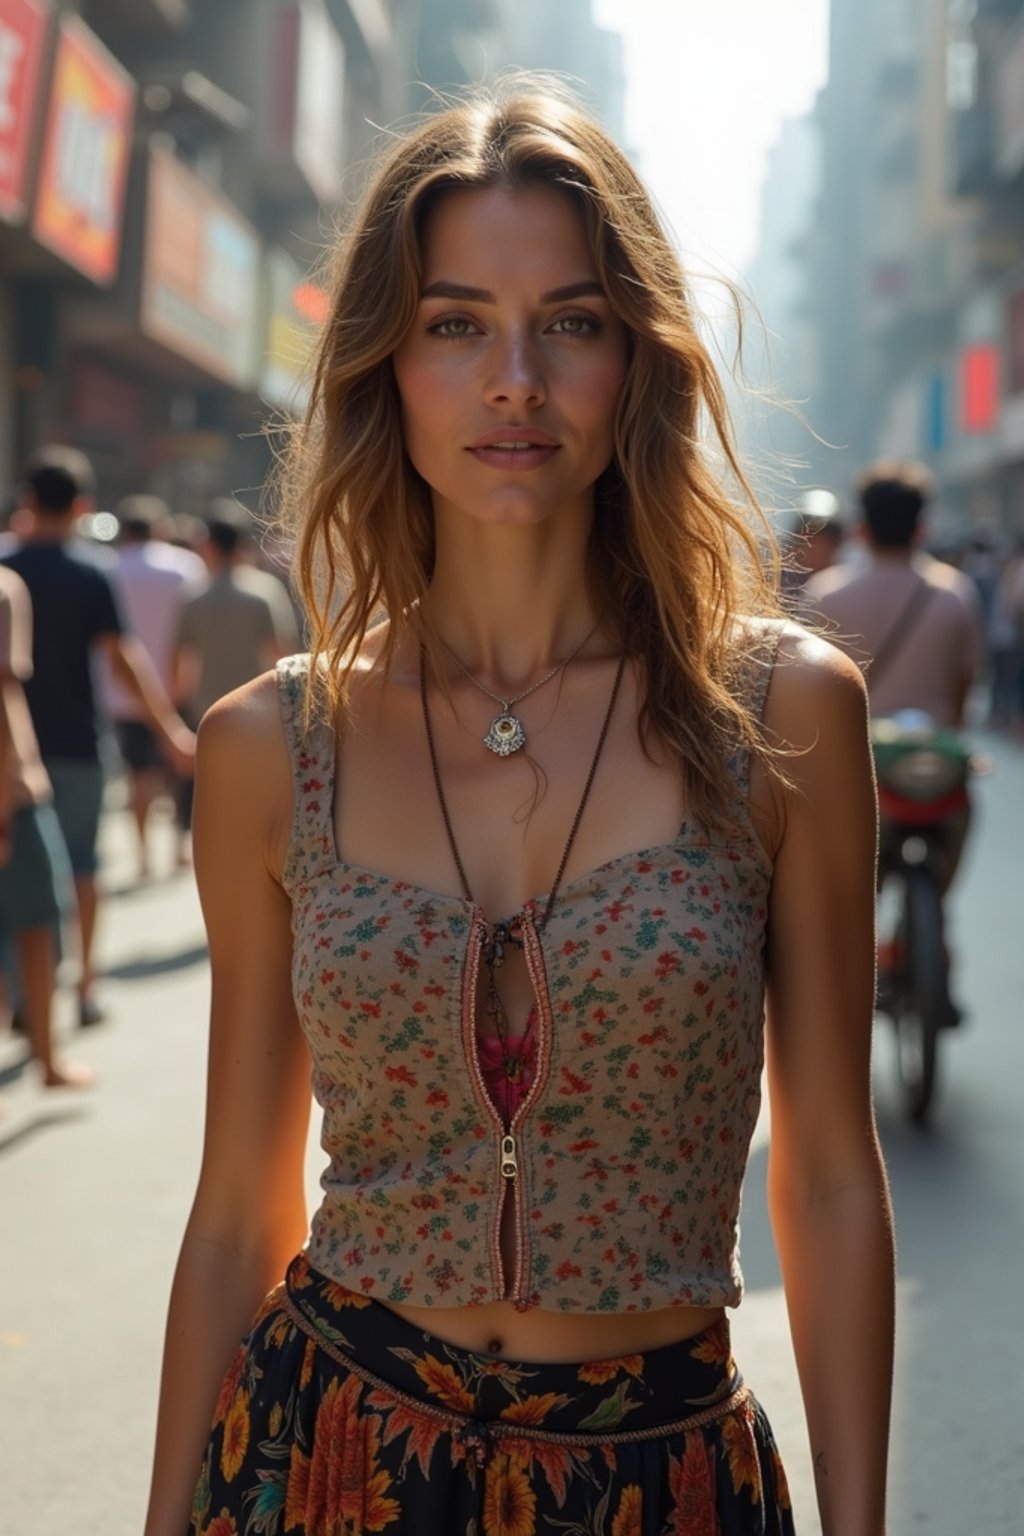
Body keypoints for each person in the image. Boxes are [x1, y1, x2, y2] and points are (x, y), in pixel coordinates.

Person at [146, 85, 894, 1536]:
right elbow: (239, 1207)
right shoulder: (268, 745)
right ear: (386, 365)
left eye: (571, 320)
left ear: (638, 358)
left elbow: (833, 1182)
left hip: (657, 1476)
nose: (514, 379)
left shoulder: (782, 714)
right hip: (325, 1461)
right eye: (454, 323)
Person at [1, 447, 195, 1026]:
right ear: (83, 507)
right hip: (79, 747)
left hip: (8, 755)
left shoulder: (7, 569)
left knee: (12, 874)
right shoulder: (91, 572)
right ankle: (84, 987)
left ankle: (20, 993)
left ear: (27, 501)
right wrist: (169, 730)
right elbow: (122, 660)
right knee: (84, 867)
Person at [0, 562, 91, 1088]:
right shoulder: (5, 588)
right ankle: (47, 1058)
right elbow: (4, 695)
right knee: (37, 927)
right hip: (11, 794)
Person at [101, 496, 206, 879]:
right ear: (159, 529)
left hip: (123, 691)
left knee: (137, 774)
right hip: (178, 684)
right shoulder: (185, 567)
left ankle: (143, 854)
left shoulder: (108, 568)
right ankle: (178, 849)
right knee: (183, 769)